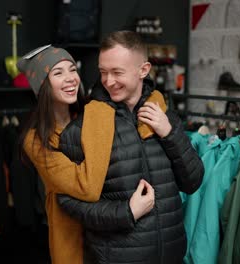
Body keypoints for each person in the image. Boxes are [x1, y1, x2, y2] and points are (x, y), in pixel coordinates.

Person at [57, 30, 204, 264]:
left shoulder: (165, 117)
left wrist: (170, 133)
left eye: (117, 72)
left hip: (171, 256)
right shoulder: (83, 129)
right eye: (103, 72)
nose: (108, 81)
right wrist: (127, 212)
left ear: (143, 70)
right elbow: (66, 201)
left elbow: (193, 181)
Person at [17, 45, 163, 264]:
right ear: (43, 85)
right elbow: (87, 186)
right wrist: (100, 112)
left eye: (72, 69)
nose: (70, 78)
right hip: (73, 241)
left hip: (113, 237)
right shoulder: (36, 139)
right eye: (58, 73)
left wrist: (144, 130)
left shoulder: (89, 112)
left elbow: (153, 96)